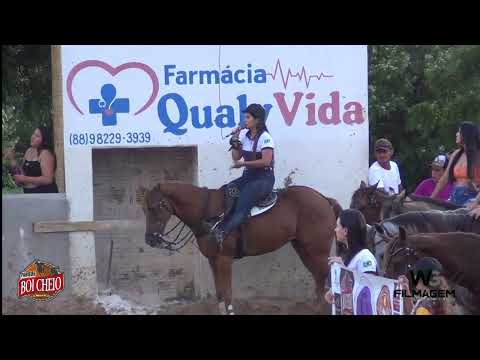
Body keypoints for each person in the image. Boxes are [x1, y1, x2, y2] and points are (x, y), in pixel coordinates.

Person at [210, 104, 275, 247]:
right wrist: (235, 140)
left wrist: (243, 165)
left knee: (243, 202)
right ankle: (222, 220)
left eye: (248, 117)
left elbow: (266, 161)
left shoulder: (265, 138)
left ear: (257, 120)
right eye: (244, 117)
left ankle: (223, 232)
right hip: (249, 176)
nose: (244, 121)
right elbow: (236, 157)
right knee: (228, 189)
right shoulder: (245, 137)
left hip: (263, 179)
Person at [324, 209, 378, 304]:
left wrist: (344, 270)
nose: (335, 229)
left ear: (345, 231)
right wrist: (333, 291)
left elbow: (368, 289)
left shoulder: (365, 257)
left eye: (337, 226)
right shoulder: (347, 255)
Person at [431, 122, 480, 206]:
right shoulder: (456, 154)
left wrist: (475, 202)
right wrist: (431, 198)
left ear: (466, 135)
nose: (456, 134)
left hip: (472, 198)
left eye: (459, 132)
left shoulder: (477, 155)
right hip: (454, 195)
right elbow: (444, 178)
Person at [5, 126, 59, 194]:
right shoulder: (29, 151)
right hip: (29, 194)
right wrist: (12, 158)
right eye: (33, 134)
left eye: (37, 136)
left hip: (45, 195)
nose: (33, 137)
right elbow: (23, 174)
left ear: (44, 139)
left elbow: (48, 179)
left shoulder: (45, 153)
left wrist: (25, 179)